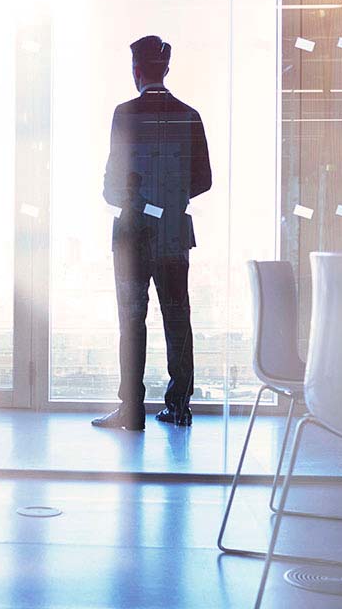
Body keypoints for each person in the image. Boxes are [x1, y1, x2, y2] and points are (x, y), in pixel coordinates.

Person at [92, 35, 212, 431]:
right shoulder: (189, 115)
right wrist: (171, 200)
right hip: (175, 235)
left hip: (132, 235)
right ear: (166, 69)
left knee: (132, 321)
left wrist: (138, 199)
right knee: (178, 320)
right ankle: (179, 407)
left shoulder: (124, 115)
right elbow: (204, 180)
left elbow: (111, 187)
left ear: (137, 71)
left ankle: (131, 411)